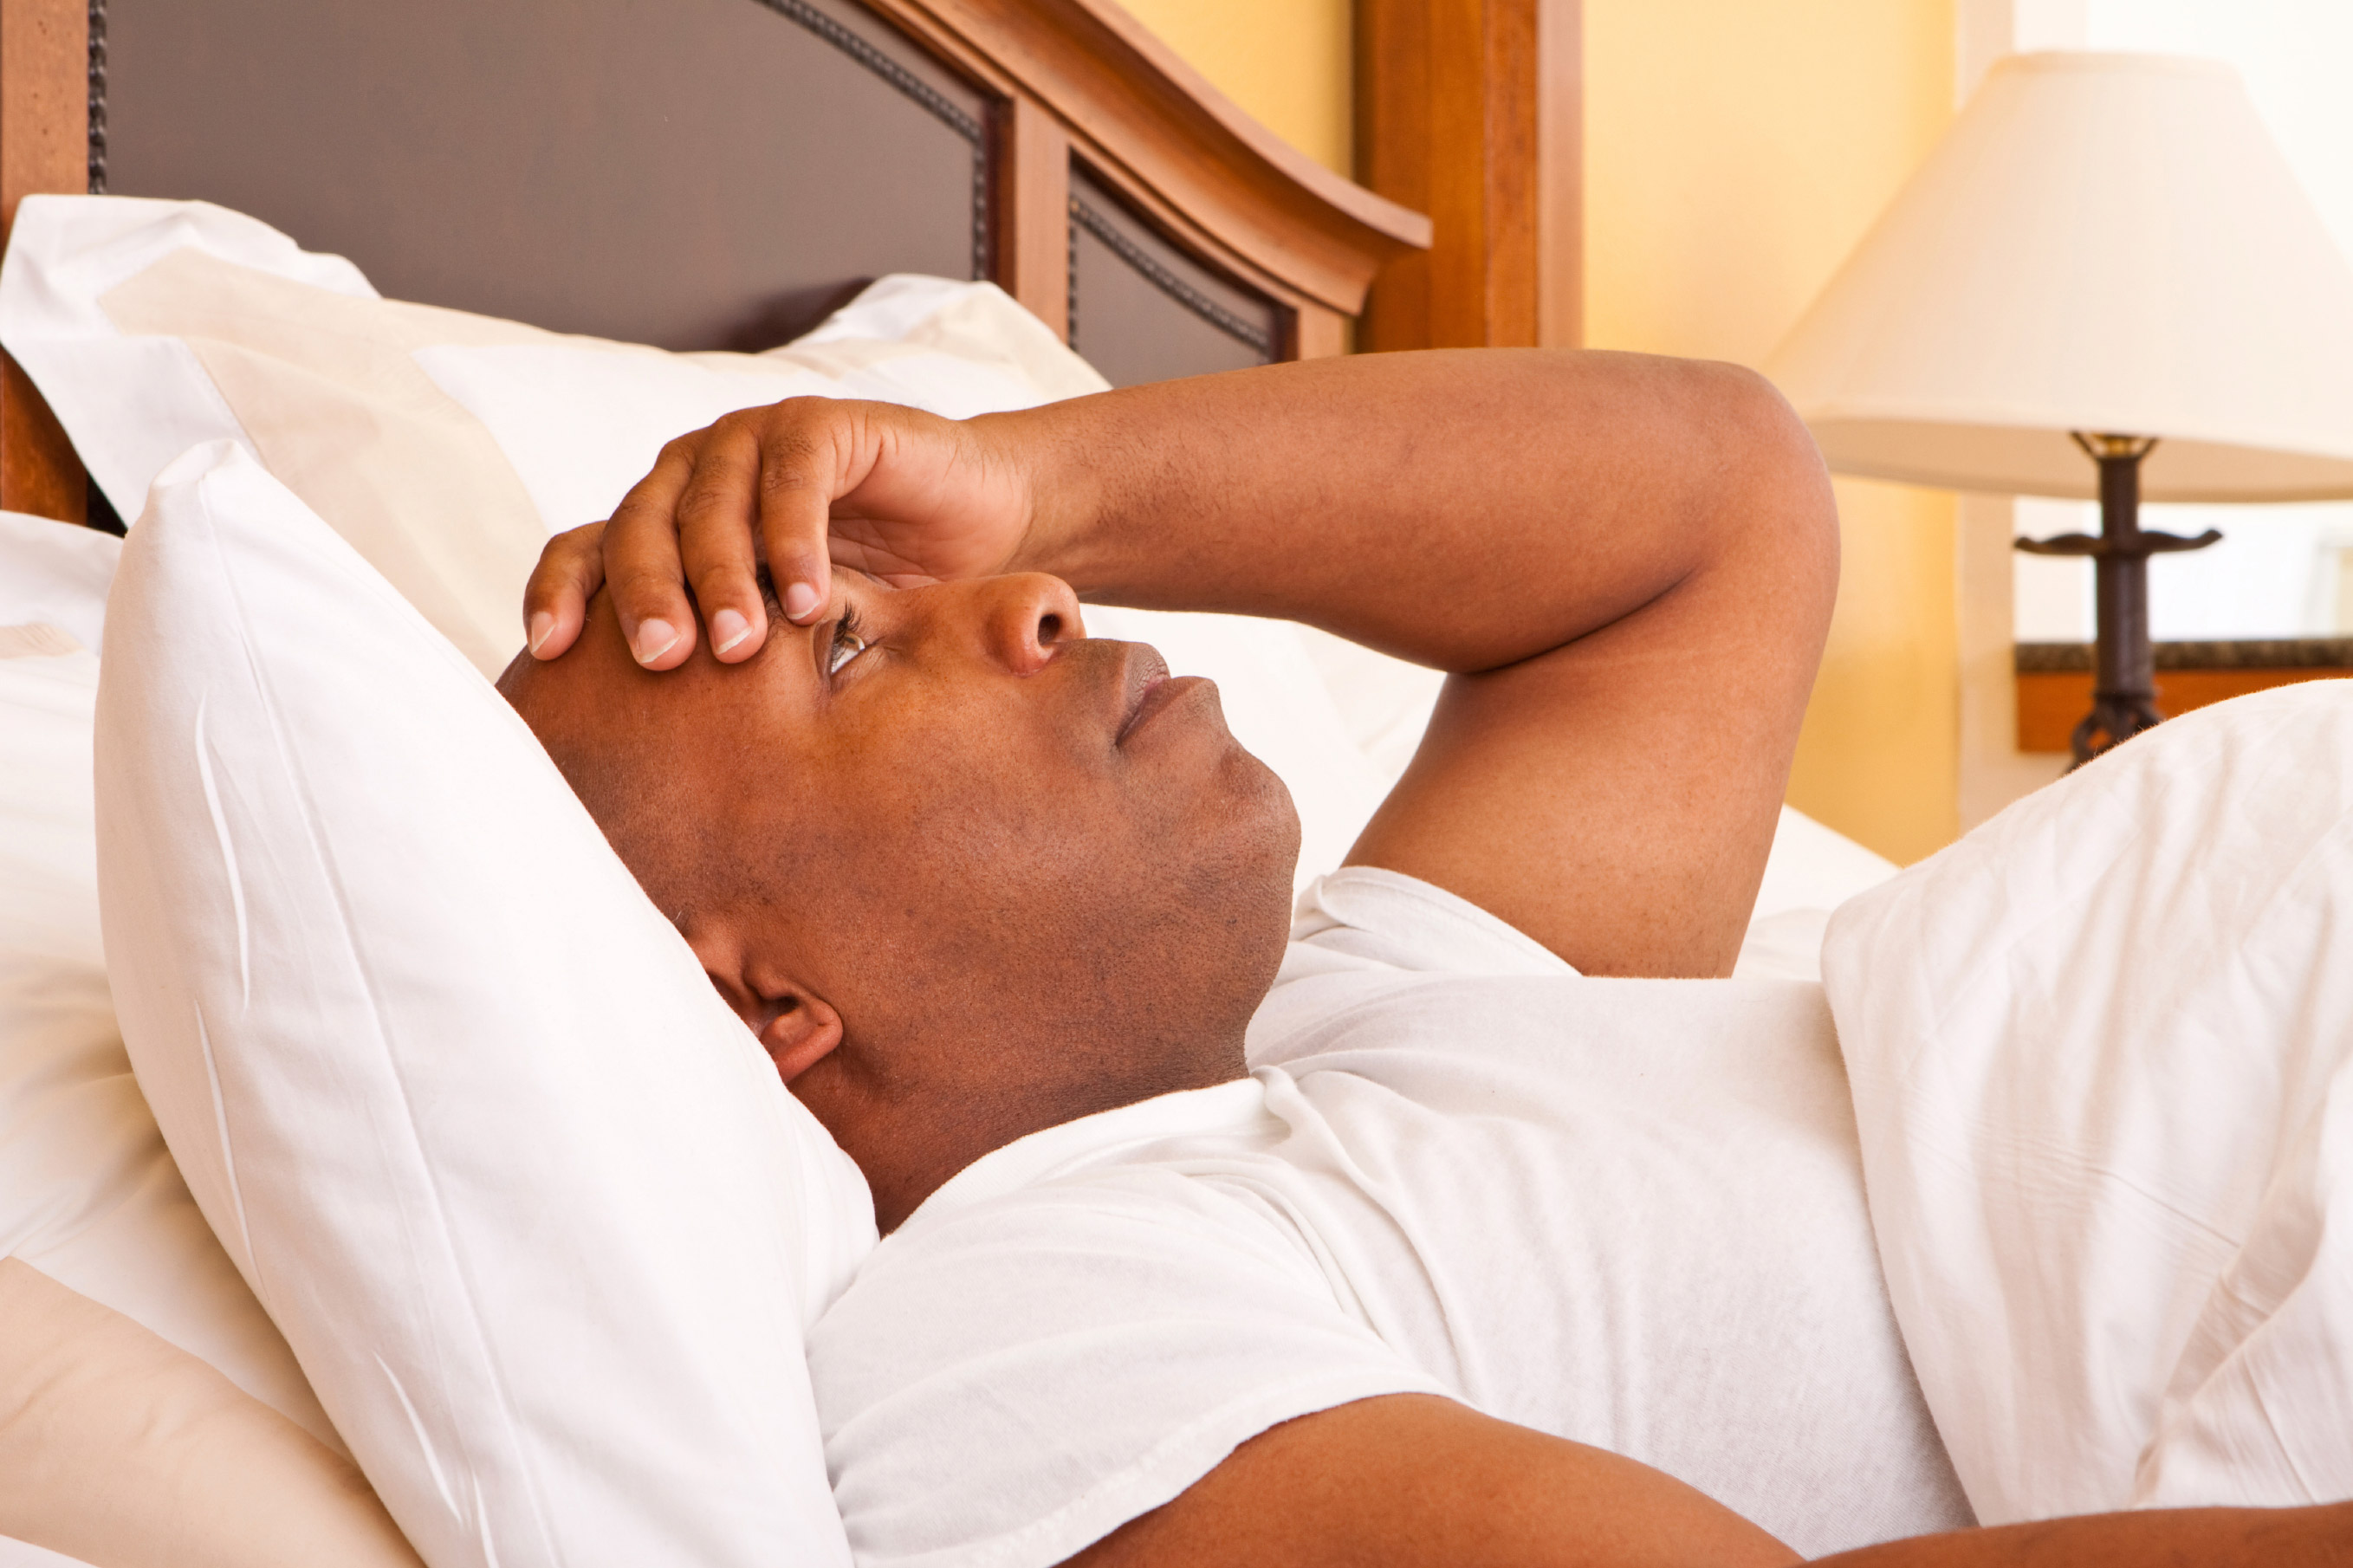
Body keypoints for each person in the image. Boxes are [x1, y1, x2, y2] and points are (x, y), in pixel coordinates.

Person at [498, 349, 2352, 1567]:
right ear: (770, 1007)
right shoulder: (1016, 1334)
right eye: (848, 653)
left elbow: (1717, 506)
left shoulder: (1349, 1031)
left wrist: (1022, 477)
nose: (1037, 605)